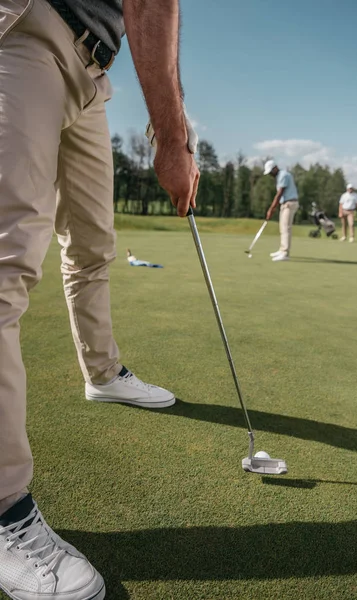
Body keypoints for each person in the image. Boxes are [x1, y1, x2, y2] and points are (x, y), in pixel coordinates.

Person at [0, 1, 199, 598]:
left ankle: (103, 372)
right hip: (26, 26)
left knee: (92, 246)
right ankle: (4, 510)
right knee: (5, 263)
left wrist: (173, 128)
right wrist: (172, 137)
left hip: (93, 75)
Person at [264, 160, 299, 262]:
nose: (270, 174)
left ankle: (285, 253)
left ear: (275, 168)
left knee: (286, 228)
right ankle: (282, 249)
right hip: (285, 204)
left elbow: (279, 193)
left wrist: (271, 209)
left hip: (290, 203)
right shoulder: (279, 176)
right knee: (282, 228)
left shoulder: (283, 175)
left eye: (270, 172)